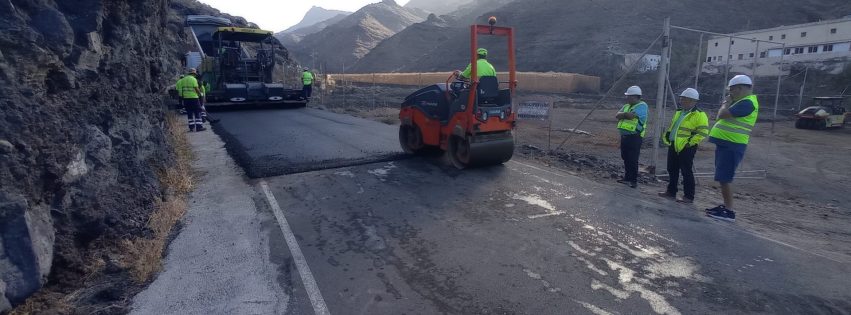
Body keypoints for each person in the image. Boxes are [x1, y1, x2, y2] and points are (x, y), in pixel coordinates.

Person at [705, 75, 758, 222]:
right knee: (722, 177)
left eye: (732, 90)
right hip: (727, 143)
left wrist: (725, 103)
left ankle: (729, 211)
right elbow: (721, 116)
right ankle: (726, 207)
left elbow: (722, 114)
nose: (730, 94)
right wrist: (728, 103)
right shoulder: (740, 102)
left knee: (725, 177)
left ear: (740, 88)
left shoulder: (747, 103)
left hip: (732, 144)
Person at [658, 88, 709, 203]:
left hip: (686, 147)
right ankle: (671, 191)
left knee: (686, 171)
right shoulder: (679, 112)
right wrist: (667, 137)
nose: (681, 101)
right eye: (681, 99)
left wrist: (689, 143)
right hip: (674, 145)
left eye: (684, 99)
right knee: (672, 169)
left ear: (692, 101)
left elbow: (702, 132)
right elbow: (673, 127)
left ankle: (688, 196)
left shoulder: (699, 115)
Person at [615, 86, 648, 188]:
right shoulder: (627, 106)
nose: (627, 98)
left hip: (635, 137)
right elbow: (617, 115)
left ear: (635, 97)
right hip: (625, 136)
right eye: (627, 96)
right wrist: (625, 114)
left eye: (629, 96)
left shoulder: (642, 106)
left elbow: (631, 116)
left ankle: (633, 180)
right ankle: (627, 177)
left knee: (632, 159)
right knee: (625, 157)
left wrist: (623, 115)